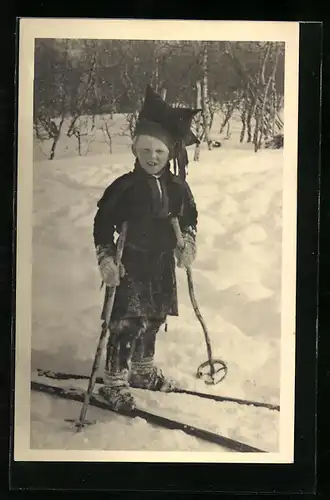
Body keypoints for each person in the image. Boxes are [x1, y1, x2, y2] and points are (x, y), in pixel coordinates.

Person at [93, 85, 200, 411]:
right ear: (135, 151)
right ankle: (114, 382)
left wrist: (188, 244)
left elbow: (189, 221)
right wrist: (107, 259)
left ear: (169, 153)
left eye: (159, 152)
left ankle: (142, 371)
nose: (152, 158)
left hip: (162, 263)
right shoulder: (123, 188)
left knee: (153, 318)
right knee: (127, 323)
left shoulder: (178, 188)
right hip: (131, 262)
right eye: (145, 151)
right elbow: (102, 227)